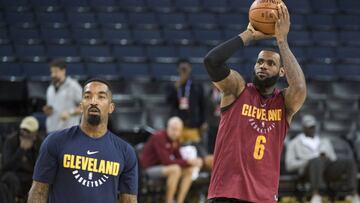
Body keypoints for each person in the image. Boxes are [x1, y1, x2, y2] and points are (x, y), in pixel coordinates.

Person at [203, 4, 306, 203]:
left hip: (264, 196)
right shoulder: (237, 90)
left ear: (281, 72)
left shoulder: (283, 103)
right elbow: (211, 61)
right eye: (259, 62)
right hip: (226, 193)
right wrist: (248, 35)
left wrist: (282, 41)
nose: (263, 66)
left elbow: (300, 88)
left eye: (270, 63)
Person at [28, 78, 138, 203]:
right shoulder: (55, 141)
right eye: (87, 96)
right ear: (81, 106)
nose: (93, 101)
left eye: (101, 97)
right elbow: (38, 191)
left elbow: (129, 200)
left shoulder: (125, 151)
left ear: (111, 107)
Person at [286, 114, 360, 203]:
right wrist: (308, 161)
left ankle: (353, 193)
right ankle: (316, 194)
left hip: (327, 169)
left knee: (349, 161)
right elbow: (289, 165)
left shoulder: (324, 141)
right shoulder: (294, 143)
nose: (312, 129)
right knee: (316, 161)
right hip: (307, 171)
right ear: (303, 128)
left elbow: (333, 158)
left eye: (313, 126)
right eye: (309, 127)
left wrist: (326, 156)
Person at [139, 117, 203, 203]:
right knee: (175, 169)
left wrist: (192, 163)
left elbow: (179, 158)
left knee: (189, 170)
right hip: (148, 169)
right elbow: (166, 161)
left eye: (177, 130)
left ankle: (180, 201)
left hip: (163, 168)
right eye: (173, 129)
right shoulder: (159, 137)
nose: (175, 133)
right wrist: (188, 162)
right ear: (167, 127)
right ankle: (168, 201)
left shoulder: (175, 140)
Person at [166, 59, 206, 143]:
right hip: (177, 125)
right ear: (178, 69)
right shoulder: (173, 84)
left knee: (193, 151)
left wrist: (203, 122)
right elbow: (168, 102)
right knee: (177, 152)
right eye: (182, 68)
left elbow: (203, 105)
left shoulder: (197, 85)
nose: (184, 71)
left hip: (193, 125)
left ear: (190, 69)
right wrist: (175, 88)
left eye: (186, 68)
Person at [1, 116, 41, 199]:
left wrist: (33, 148)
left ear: (35, 134)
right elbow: (6, 167)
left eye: (28, 132)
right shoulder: (11, 141)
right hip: (15, 174)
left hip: (31, 175)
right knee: (9, 178)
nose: (25, 134)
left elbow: (40, 167)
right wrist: (21, 150)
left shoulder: (39, 143)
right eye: (23, 131)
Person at [42, 58, 82, 133]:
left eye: (56, 72)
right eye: (52, 72)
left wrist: (70, 113)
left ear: (63, 71)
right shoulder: (50, 88)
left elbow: (84, 106)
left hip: (69, 132)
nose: (53, 75)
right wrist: (48, 110)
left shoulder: (73, 86)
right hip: (52, 131)